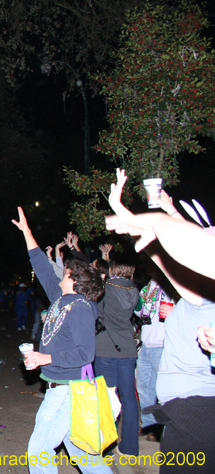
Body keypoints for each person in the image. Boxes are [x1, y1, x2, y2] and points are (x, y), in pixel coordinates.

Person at [106, 168, 215, 470]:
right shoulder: (195, 294)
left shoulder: (204, 296)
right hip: (183, 415)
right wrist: (139, 223)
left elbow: (192, 251)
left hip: (199, 413)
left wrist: (149, 219)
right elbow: (169, 259)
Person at [12, 207, 111, 474]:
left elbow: (85, 354)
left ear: (73, 279)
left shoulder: (79, 307)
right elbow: (41, 267)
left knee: (39, 451)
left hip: (68, 390)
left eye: (66, 271)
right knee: (82, 454)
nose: (62, 272)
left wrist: (47, 358)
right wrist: (27, 232)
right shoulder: (62, 299)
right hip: (59, 387)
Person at [94, 253, 140, 456]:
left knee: (106, 397)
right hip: (128, 351)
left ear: (113, 269)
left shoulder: (107, 289)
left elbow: (96, 312)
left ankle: (106, 444)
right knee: (129, 398)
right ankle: (129, 447)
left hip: (106, 348)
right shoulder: (134, 290)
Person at [134, 275, 170, 441]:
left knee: (162, 390)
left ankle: (164, 428)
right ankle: (149, 425)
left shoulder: (170, 289)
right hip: (147, 343)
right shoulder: (146, 290)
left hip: (162, 345)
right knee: (143, 388)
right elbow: (139, 311)